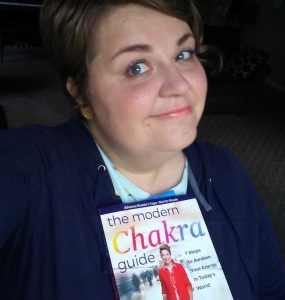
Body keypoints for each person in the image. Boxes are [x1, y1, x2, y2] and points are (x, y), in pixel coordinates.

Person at [0, 0, 284, 299]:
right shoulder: (31, 166)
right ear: (81, 92)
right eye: (137, 67)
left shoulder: (226, 170)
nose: (179, 85)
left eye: (183, 54)